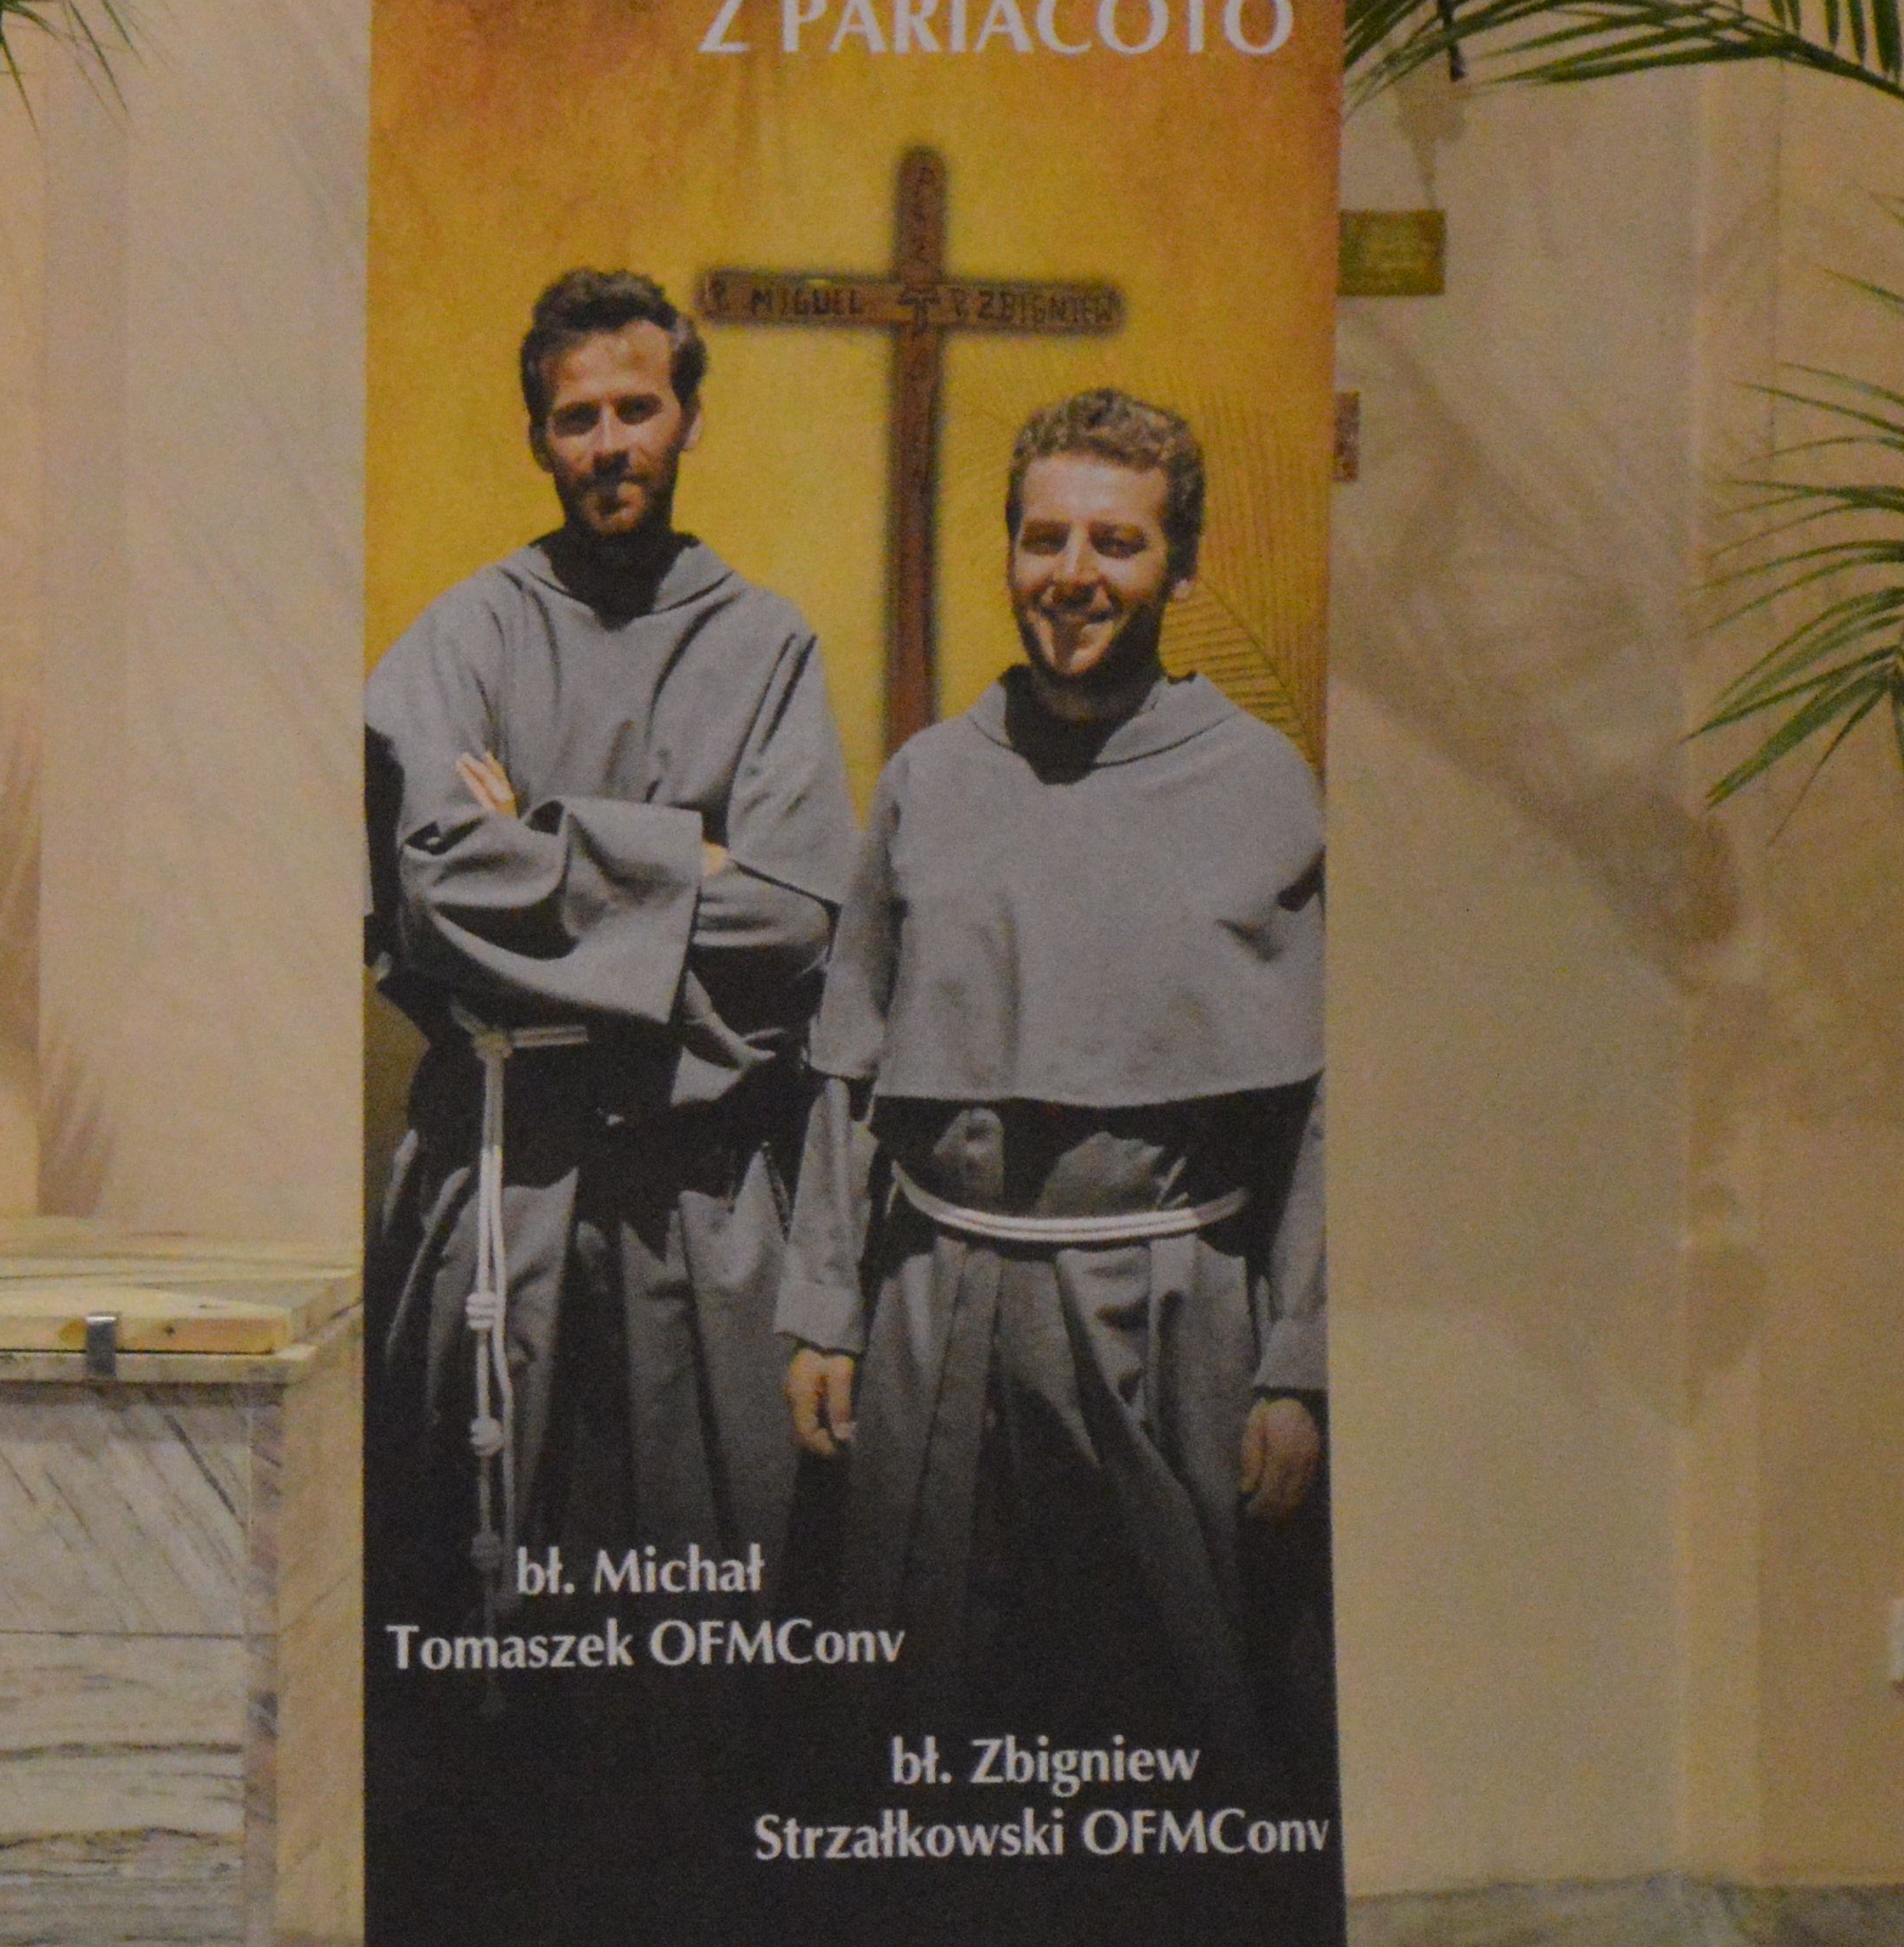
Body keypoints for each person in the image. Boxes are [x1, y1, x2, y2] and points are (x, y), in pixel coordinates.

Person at [775, 387, 1329, 1793]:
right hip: (939, 1305)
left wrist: (1298, 1367)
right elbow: (850, 1067)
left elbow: (1318, 1116)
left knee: (1170, 1719)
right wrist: (827, 1306)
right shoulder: (928, 779)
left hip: (1171, 1315)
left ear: (1179, 567)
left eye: (1116, 543)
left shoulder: (1264, 786)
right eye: (1044, 539)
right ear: (1011, 551)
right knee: (918, 1713)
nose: (1073, 576)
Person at [366, 271, 858, 1614]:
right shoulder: (466, 636)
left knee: (708, 1592)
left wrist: (546, 838)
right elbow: (435, 886)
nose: (608, 444)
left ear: (689, 418)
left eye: (636, 409)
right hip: (503, 1174)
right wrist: (687, 857)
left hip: (700, 1193)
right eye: (576, 418)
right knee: (483, 1600)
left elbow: (796, 918)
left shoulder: (766, 645)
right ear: (538, 438)